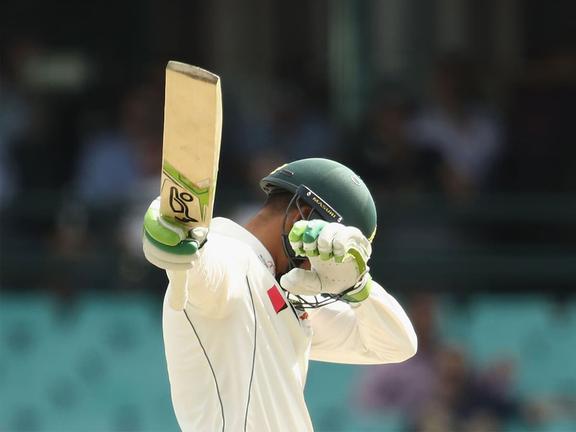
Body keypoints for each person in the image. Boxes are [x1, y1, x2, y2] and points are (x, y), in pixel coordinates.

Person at [142, 158, 417, 431]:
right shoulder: (232, 259)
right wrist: (176, 233)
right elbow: (200, 264)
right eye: (326, 252)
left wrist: (357, 287)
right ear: (301, 218)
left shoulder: (289, 292)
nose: (323, 270)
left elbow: (397, 345)